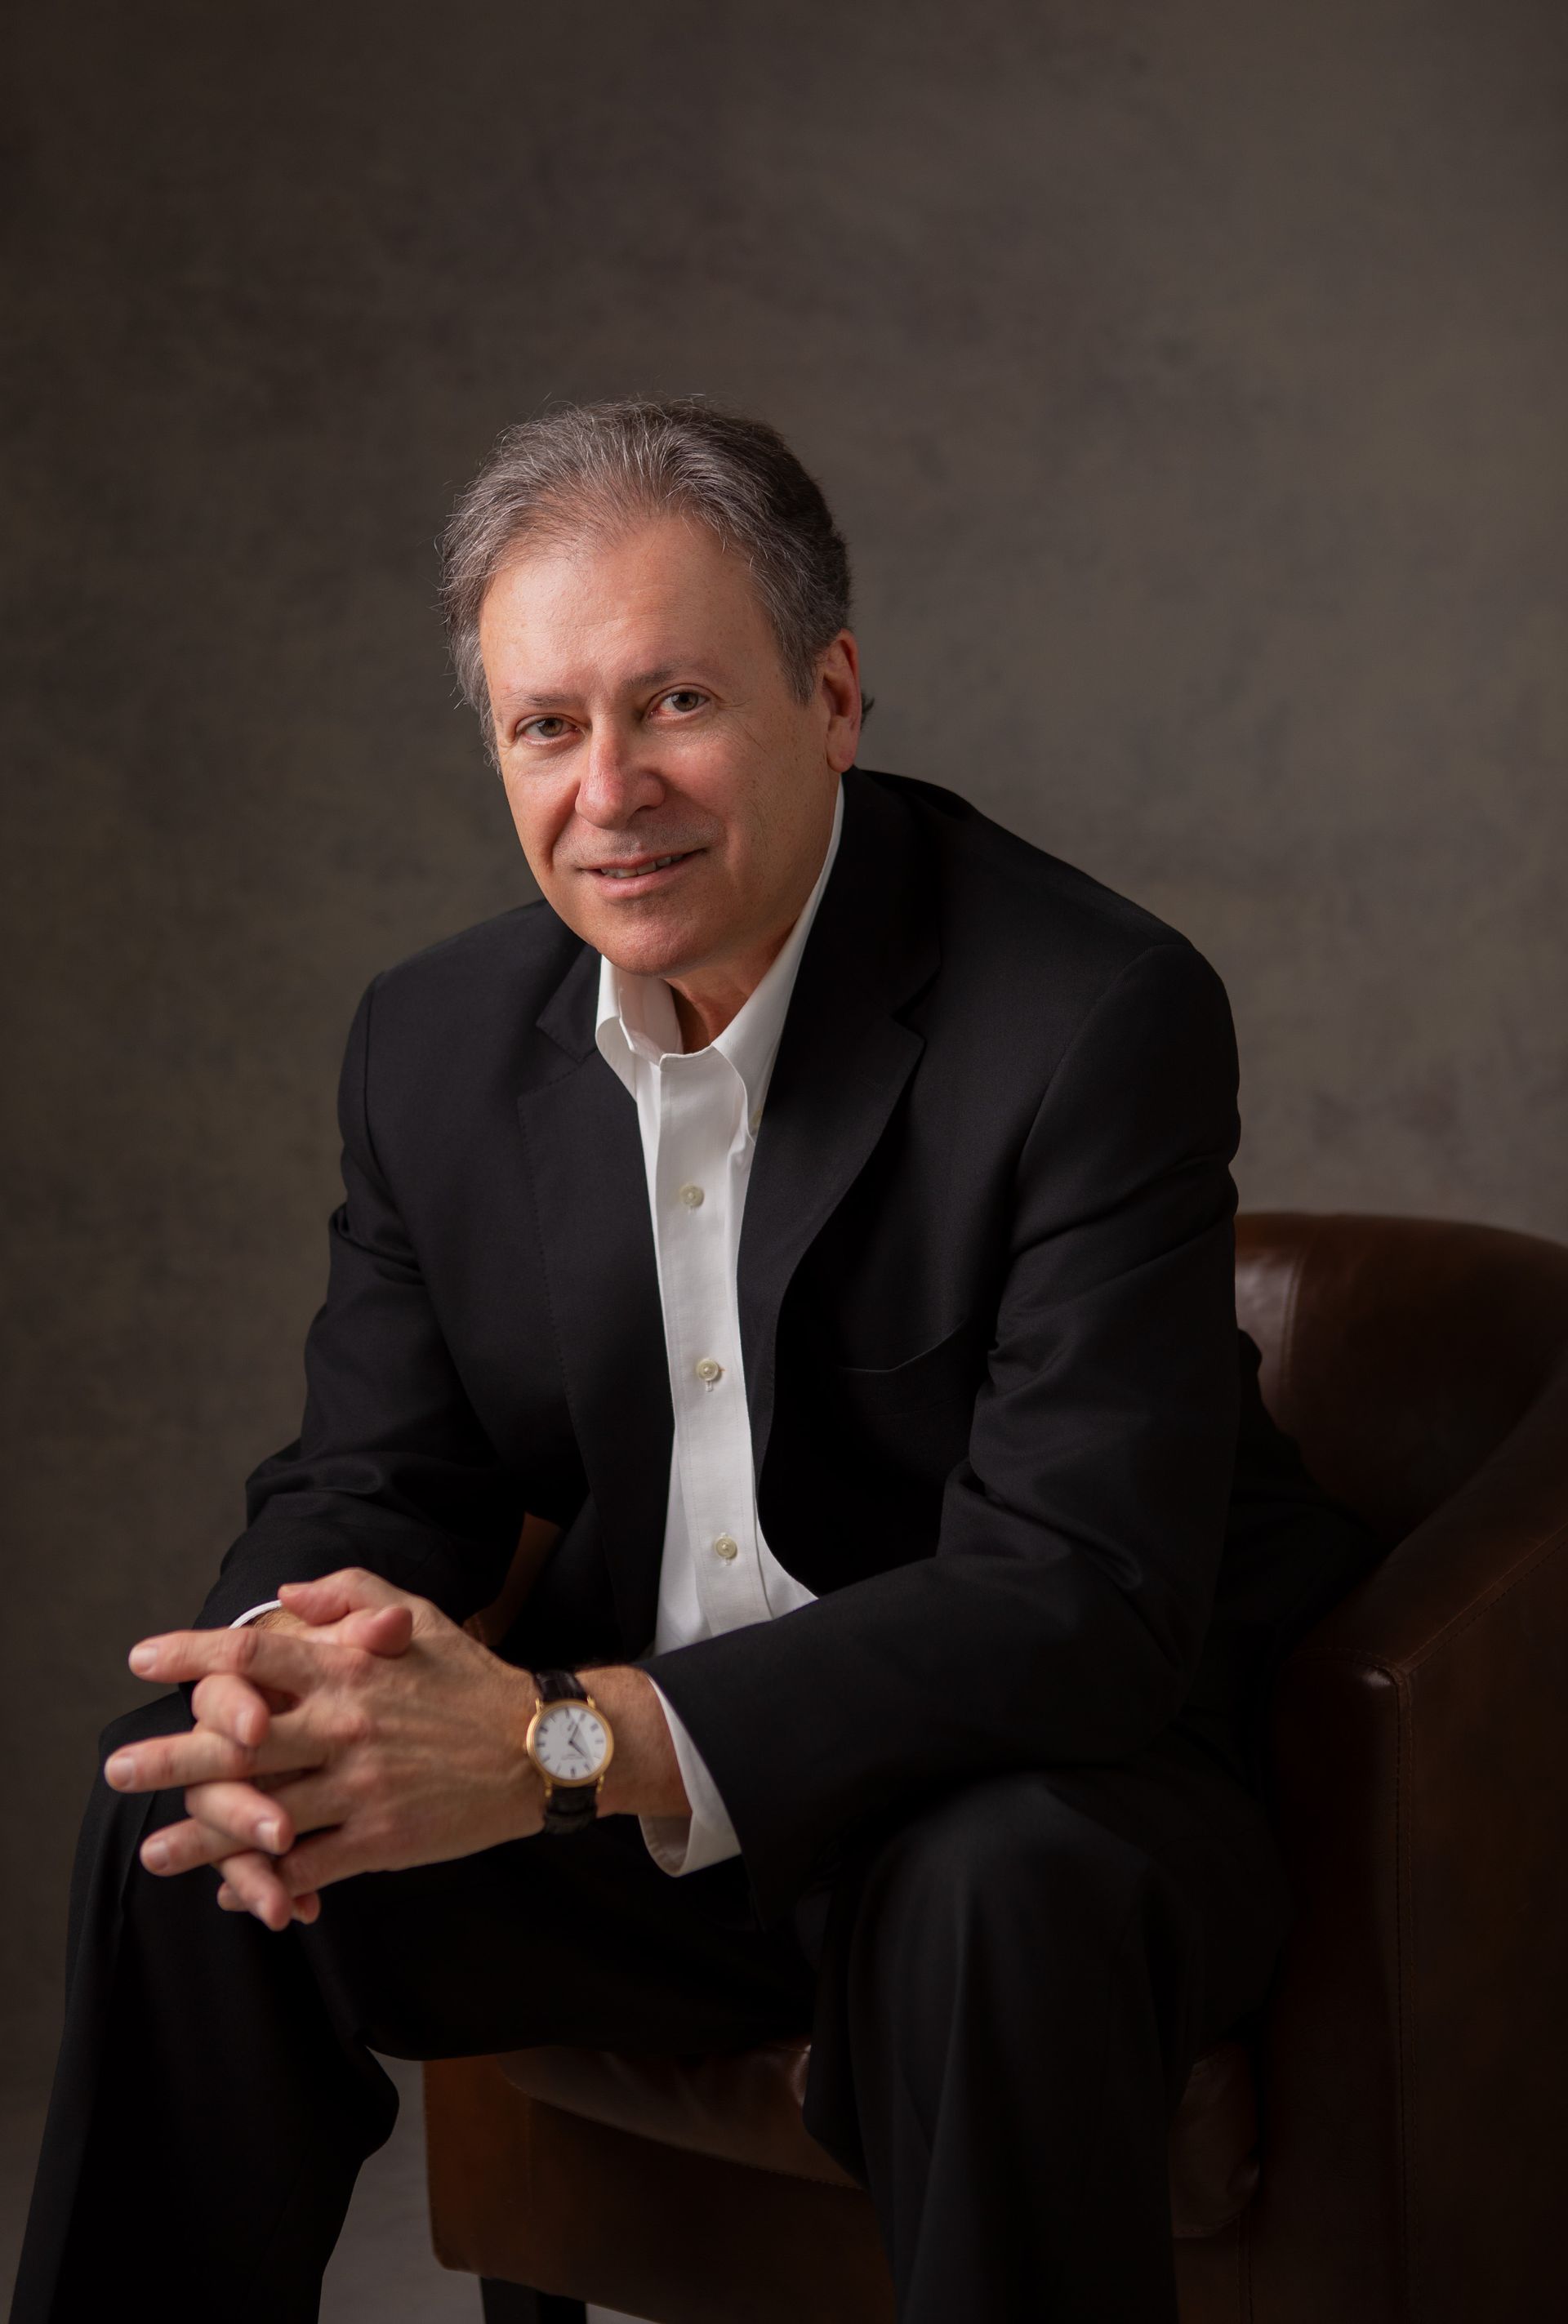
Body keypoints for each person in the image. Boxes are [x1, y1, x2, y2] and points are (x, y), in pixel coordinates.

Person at [12, 399, 1378, 2324]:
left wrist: (562, 1742)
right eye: (546, 726)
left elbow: (1076, 1601)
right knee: (184, 1814)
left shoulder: (1090, 1013)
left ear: (830, 695)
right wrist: (274, 1685)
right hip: (639, 1824)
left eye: (674, 705)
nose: (610, 789)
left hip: (1031, 1787)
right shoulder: (434, 1044)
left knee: (997, 1887)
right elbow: (374, 1481)